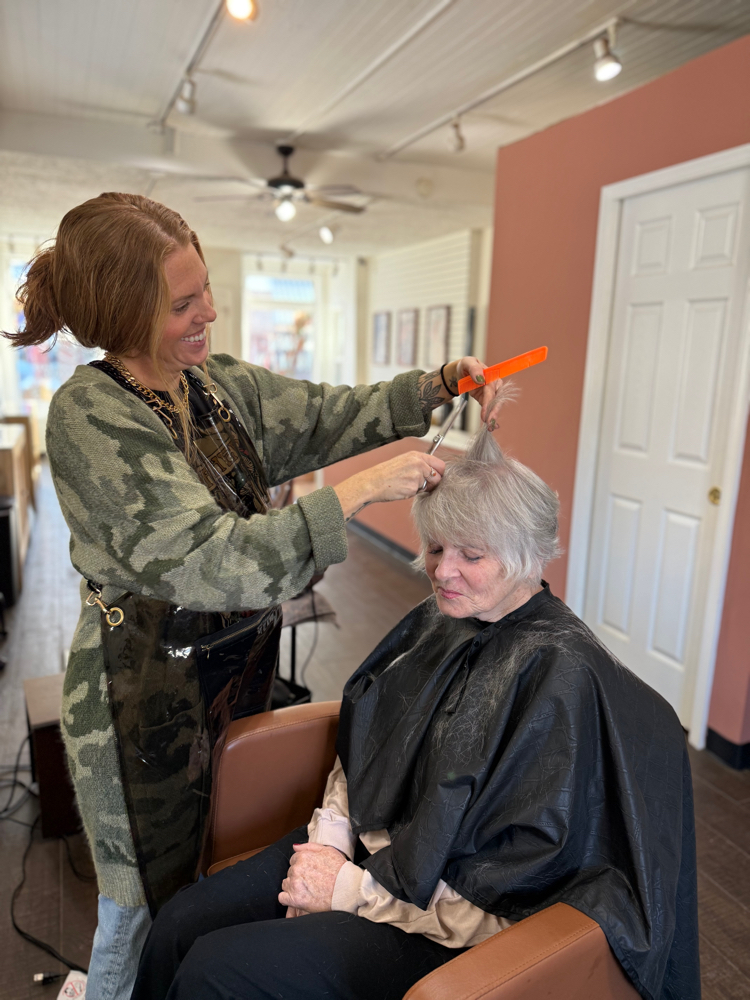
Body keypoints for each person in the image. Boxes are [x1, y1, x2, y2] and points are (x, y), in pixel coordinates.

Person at [4, 192, 505, 1000]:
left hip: (230, 675)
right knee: (137, 913)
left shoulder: (215, 384)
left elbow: (325, 415)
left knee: (212, 873)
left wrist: (432, 387)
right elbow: (213, 560)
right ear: (124, 310)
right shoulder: (90, 419)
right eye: (184, 302)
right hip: (141, 707)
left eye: (205, 289)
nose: (211, 311)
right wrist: (358, 492)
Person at [130, 419, 700, 1000]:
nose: (442, 571)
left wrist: (346, 891)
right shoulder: (443, 618)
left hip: (434, 923)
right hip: (362, 850)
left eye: (471, 554)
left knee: (217, 969)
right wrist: (328, 839)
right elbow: (365, 746)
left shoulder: (563, 682)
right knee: (182, 922)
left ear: (528, 557)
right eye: (434, 548)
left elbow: (509, 902)